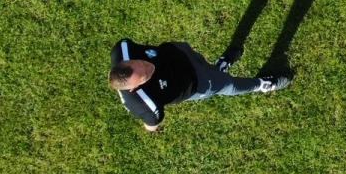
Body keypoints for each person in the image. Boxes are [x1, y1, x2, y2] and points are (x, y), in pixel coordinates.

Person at [109, 38, 289, 131]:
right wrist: (152, 132)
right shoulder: (143, 104)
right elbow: (151, 124)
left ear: (126, 62)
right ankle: (262, 84)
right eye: (145, 75)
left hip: (180, 53)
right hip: (197, 83)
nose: (149, 67)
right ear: (134, 88)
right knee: (229, 85)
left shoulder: (123, 49)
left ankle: (218, 68)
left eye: (141, 63)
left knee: (206, 65)